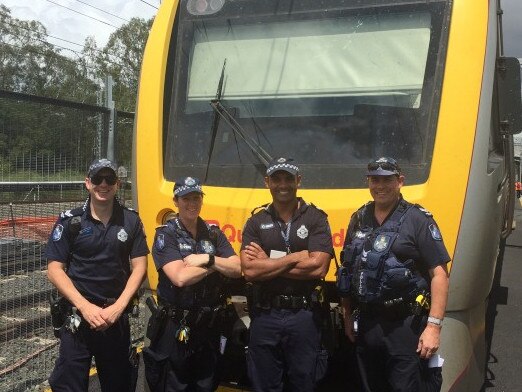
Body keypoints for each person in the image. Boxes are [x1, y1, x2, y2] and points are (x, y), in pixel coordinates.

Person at [338, 157, 450, 392]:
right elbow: (347, 270)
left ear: (400, 181)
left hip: (404, 325)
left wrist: (433, 328)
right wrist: (347, 314)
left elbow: (439, 274)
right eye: (374, 179)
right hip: (367, 323)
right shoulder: (358, 218)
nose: (380, 186)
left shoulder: (418, 219)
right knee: (370, 385)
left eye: (387, 180)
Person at [45, 158, 149, 391]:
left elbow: (140, 267)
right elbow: (54, 269)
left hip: (115, 318)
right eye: (97, 179)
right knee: (69, 385)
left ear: (117, 184)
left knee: (118, 383)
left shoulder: (131, 220)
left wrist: (118, 307)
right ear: (87, 183)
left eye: (109, 179)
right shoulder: (70, 221)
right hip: (78, 320)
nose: (104, 184)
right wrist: (85, 307)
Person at [240, 157, 333, 392]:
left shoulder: (316, 218)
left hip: (304, 316)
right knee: (263, 384)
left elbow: (319, 268)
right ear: (267, 182)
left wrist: (267, 264)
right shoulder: (256, 221)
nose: (283, 184)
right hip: (265, 315)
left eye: (288, 178)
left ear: (298, 181)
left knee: (304, 383)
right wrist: (295, 257)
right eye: (276, 179)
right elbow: (249, 270)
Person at [143, 176, 242, 392]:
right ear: (176, 201)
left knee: (207, 383)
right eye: (186, 198)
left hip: (208, 326)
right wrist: (215, 265)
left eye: (196, 198)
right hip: (178, 323)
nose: (192, 204)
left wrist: (208, 259)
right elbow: (180, 278)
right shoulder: (166, 235)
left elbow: (237, 268)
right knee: (174, 384)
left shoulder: (213, 232)